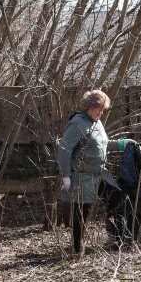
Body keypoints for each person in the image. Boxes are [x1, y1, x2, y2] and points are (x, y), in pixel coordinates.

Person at [56, 90, 125, 254]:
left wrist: (122, 144)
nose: (100, 113)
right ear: (88, 106)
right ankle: (77, 248)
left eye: (102, 110)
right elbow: (63, 150)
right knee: (82, 213)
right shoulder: (77, 123)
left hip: (100, 173)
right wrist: (66, 175)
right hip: (82, 175)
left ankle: (118, 239)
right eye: (97, 109)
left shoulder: (97, 123)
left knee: (117, 200)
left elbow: (104, 144)